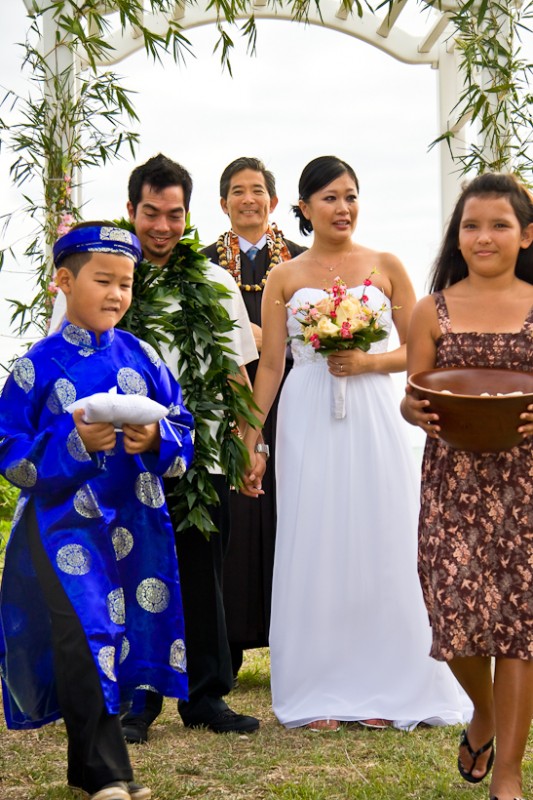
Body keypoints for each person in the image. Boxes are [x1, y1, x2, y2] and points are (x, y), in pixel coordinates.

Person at [242, 155, 469, 731]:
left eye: (350, 196)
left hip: (373, 410)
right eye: (329, 199)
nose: (342, 208)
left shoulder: (386, 265)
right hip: (307, 411)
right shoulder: (283, 278)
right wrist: (251, 437)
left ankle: (388, 679)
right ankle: (318, 687)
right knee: (314, 535)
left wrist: (368, 360)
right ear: (302, 209)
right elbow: (271, 364)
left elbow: (423, 354)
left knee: (381, 531)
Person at [0, 223, 195, 800]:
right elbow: (10, 453)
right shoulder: (35, 366)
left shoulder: (143, 354)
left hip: (135, 522)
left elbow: (181, 427)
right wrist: (75, 445)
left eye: (126, 284)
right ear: (64, 280)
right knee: (87, 636)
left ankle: (91, 769)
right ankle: (110, 774)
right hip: (63, 527)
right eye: (103, 280)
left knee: (123, 635)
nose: (116, 294)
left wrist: (156, 439)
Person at [116, 154, 261, 742]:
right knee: (133, 577)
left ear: (187, 215)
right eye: (151, 213)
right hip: (123, 460)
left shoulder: (214, 281)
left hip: (196, 457)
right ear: (131, 211)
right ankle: (136, 702)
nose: (162, 227)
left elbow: (237, 375)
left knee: (203, 577)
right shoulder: (105, 272)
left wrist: (252, 447)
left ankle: (205, 697)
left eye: (174, 215)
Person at [401, 172, 533, 800]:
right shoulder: (432, 309)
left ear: (526, 235)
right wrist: (416, 411)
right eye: (471, 226)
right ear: (457, 237)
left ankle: (506, 773)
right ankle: (480, 708)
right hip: (451, 479)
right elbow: (412, 396)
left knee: (519, 627)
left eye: (499, 225)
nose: (484, 237)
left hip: (526, 485)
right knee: (451, 617)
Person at [202, 156, 306, 677]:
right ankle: (228, 646)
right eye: (238, 191)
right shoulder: (200, 268)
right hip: (228, 400)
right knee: (235, 520)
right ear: (223, 204)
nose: (249, 199)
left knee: (294, 512)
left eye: (258, 190)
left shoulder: (307, 265)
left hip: (296, 400)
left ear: (272, 198)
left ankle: (297, 638)